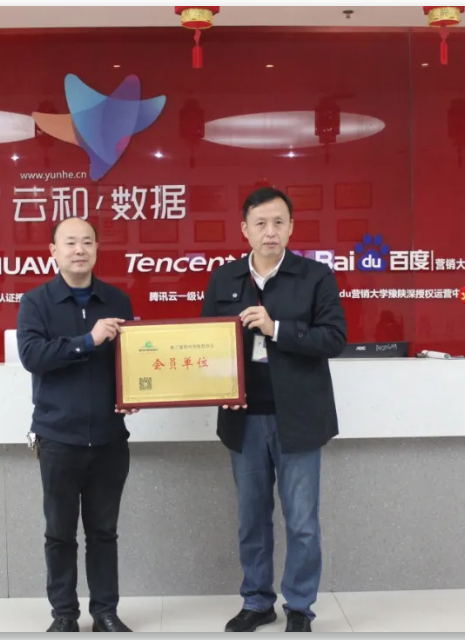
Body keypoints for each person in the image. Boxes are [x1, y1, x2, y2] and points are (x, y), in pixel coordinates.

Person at [201, 187, 347, 633]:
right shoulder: (224, 278)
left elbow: (334, 339)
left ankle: (299, 606)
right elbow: (206, 345)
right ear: (244, 229)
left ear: (291, 227)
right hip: (243, 417)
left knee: (301, 522)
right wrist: (214, 386)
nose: (270, 231)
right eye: (261, 223)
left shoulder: (315, 276)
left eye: (279, 222)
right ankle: (257, 601)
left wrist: (277, 328)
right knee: (252, 519)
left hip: (298, 418)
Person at [16, 217, 137, 633]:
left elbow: (130, 360)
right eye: (70, 243)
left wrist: (133, 394)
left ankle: (105, 613)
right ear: (53, 251)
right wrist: (88, 339)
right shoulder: (36, 302)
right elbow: (33, 356)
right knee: (59, 534)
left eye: (87, 242)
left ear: (97, 248)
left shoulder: (117, 300)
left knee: (104, 532)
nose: (79, 249)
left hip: (109, 438)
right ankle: (64, 616)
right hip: (58, 438)